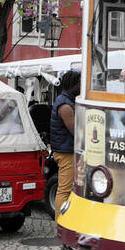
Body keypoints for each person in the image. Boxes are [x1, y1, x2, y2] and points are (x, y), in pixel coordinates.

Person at [49, 70, 79, 213]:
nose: (81, 87)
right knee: (64, 190)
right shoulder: (65, 105)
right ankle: (60, 224)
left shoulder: (66, 101)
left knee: (66, 189)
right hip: (65, 152)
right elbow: (75, 130)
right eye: (80, 84)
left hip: (65, 149)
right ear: (73, 85)